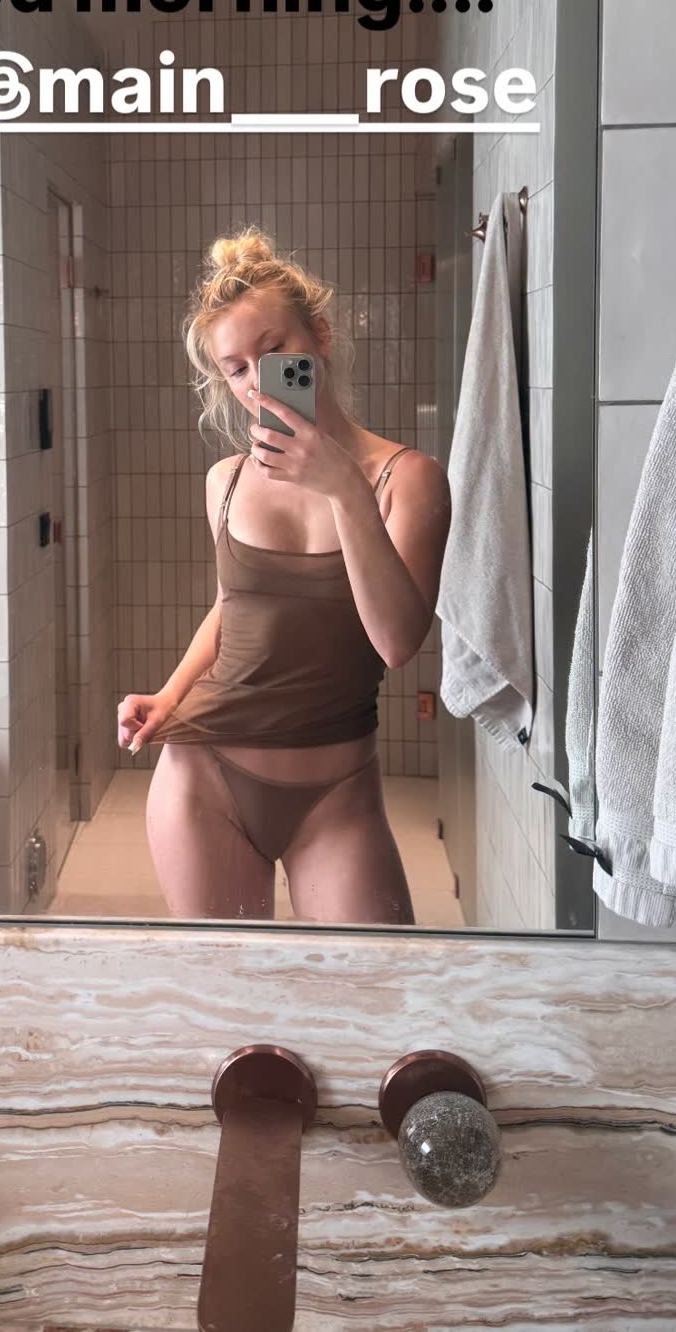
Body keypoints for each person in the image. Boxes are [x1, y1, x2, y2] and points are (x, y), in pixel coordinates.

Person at [116, 228, 451, 924]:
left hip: (339, 792)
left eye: (273, 352)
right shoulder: (226, 481)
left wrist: (343, 489)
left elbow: (396, 642)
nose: (255, 379)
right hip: (206, 776)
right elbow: (232, 607)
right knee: (230, 985)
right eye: (236, 368)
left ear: (319, 336)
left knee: (371, 980)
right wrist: (169, 694)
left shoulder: (407, 479)